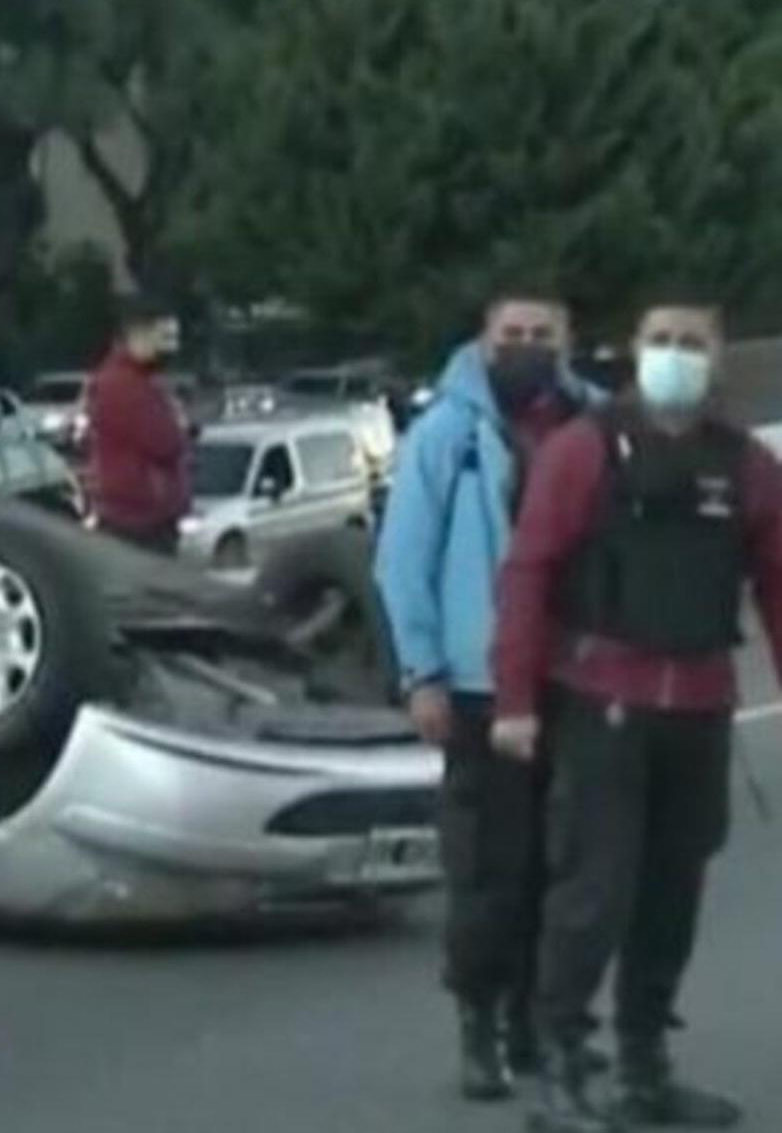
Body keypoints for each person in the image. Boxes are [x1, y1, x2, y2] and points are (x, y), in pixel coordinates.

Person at [492, 292, 782, 1132]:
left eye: (693, 341)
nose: (676, 353)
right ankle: (557, 1065)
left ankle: (644, 1066)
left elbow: (776, 582)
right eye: (661, 339)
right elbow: (529, 572)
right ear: (634, 348)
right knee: (593, 892)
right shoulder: (587, 450)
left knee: (672, 898)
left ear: (719, 356)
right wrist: (514, 699)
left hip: (699, 708)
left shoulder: (746, 466)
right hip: (604, 704)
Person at [374, 288, 601, 1103]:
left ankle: (540, 1026)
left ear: (568, 341)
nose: (529, 346)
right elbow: (402, 560)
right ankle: (480, 1026)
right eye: (514, 334)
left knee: (568, 868)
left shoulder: (597, 428)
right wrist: (422, 671)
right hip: (476, 687)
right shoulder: (446, 435)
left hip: (579, 680)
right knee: (487, 871)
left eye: (545, 333)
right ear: (484, 340)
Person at [85, 294, 190, 554]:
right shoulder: (125, 384)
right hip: (137, 520)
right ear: (139, 334)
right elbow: (165, 442)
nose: (172, 348)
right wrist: (177, 426)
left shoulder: (137, 381)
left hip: (142, 516)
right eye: (164, 339)